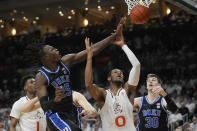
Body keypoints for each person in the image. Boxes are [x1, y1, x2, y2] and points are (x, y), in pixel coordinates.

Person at [25, 18, 125, 131]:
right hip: (56, 115)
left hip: (71, 111)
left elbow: (91, 50)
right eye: (52, 49)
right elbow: (44, 106)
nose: (56, 49)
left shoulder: (66, 61)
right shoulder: (41, 76)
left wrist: (114, 36)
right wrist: (55, 100)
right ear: (47, 57)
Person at [84, 17, 141, 131]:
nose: (119, 73)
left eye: (121, 73)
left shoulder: (128, 91)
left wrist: (123, 45)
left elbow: (137, 65)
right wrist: (89, 57)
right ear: (109, 78)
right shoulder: (103, 95)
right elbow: (89, 85)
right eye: (115, 72)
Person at [21, 88, 98, 119]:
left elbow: (94, 112)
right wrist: (39, 96)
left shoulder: (75, 95)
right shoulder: (49, 99)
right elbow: (25, 109)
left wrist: (88, 112)